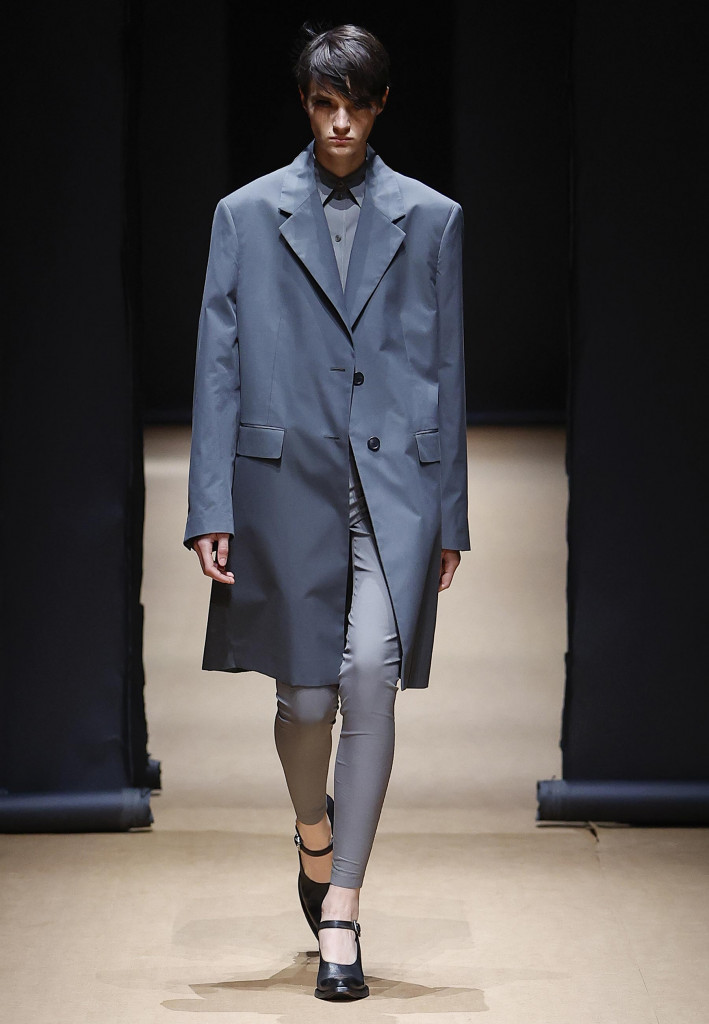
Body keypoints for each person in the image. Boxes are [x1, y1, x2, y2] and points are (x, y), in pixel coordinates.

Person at [183, 23, 470, 1001]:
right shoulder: (244, 215)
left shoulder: (431, 219)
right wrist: (210, 503)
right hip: (285, 487)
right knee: (304, 699)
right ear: (306, 106)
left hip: (395, 493)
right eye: (323, 104)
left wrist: (451, 514)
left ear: (381, 105)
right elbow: (217, 367)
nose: (340, 122)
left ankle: (341, 904)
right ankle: (314, 831)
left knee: (370, 678)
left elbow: (447, 371)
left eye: (355, 105)